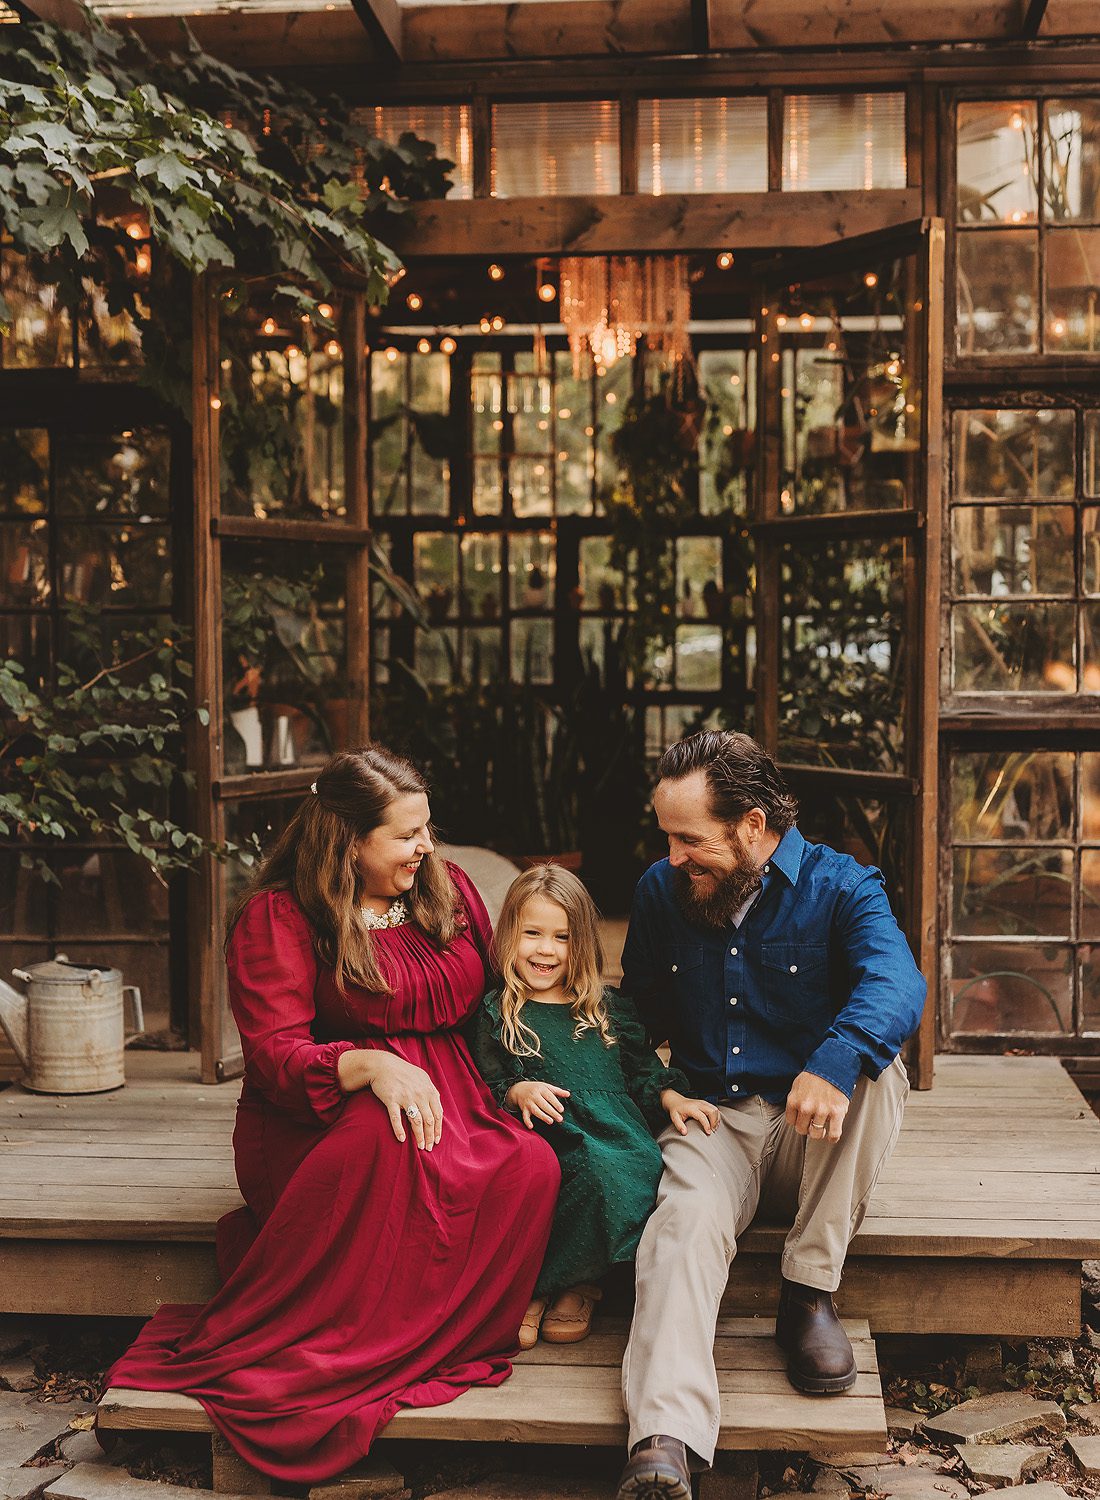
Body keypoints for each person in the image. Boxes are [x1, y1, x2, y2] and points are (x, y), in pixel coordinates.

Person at [103, 746, 560, 1484]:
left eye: (428, 828)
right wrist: (373, 1063)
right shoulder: (280, 916)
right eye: (406, 835)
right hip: (320, 1113)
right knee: (396, 1144)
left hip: (458, 1093)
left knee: (531, 1164)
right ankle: (360, 1343)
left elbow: (506, 993)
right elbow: (276, 1055)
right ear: (349, 841)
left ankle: (434, 1332)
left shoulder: (448, 889)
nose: (427, 847)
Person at [615, 731, 925, 1500]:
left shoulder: (843, 887)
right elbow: (636, 1012)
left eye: (691, 839)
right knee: (681, 1225)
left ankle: (809, 1291)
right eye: (668, 837)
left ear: (752, 825)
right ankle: (663, 1441)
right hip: (712, 1122)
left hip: (809, 1135)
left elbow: (898, 981)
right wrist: (623, 1074)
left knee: (879, 1069)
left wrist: (833, 1058)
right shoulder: (663, 890)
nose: (674, 856)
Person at [468, 864, 718, 1348]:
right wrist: (516, 1092)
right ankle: (539, 1286)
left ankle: (579, 1283)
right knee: (550, 1175)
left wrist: (672, 1097)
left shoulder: (605, 1009)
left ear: (580, 942)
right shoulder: (498, 1011)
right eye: (532, 934)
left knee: (622, 1171)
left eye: (561, 937)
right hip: (544, 1130)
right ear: (508, 937)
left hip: (613, 1135)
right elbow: (485, 1081)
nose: (545, 949)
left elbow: (642, 1068)